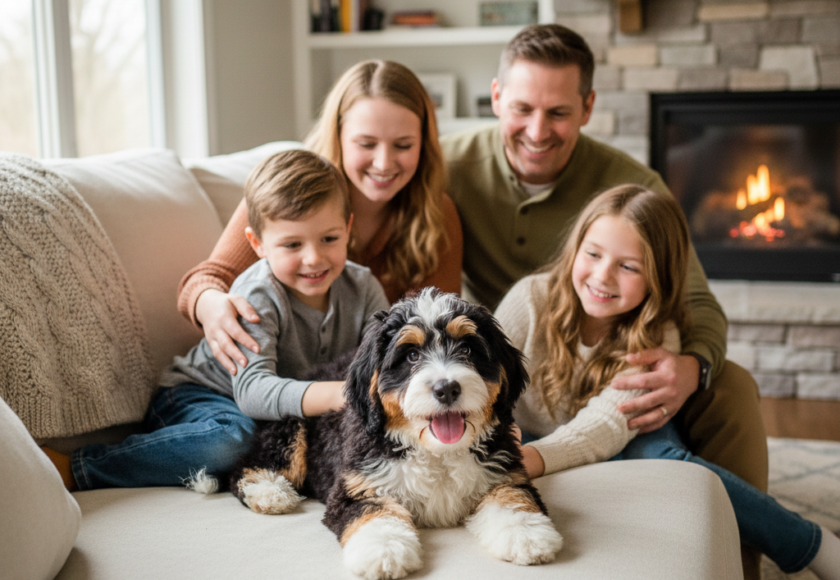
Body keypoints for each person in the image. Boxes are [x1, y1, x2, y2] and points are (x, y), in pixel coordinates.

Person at [438, 24, 768, 577]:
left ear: (588, 107)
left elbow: (699, 302)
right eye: (521, 108)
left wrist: (693, 366)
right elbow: (320, 187)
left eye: (559, 113)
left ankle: (741, 558)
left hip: (606, 374)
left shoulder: (633, 186)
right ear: (495, 97)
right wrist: (232, 287)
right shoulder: (443, 165)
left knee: (732, 384)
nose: (538, 130)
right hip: (516, 360)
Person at [497, 184, 840, 579]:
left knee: (672, 465)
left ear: (658, 276)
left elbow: (606, 427)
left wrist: (537, 460)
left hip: (617, 437)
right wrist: (504, 436)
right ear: (575, 250)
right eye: (592, 254)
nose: (602, 276)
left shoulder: (658, 335)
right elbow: (489, 378)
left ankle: (809, 543)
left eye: (628, 267)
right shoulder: (530, 299)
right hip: (531, 435)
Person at [44, 149, 389, 490]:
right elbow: (253, 393)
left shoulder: (363, 287)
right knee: (232, 440)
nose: (313, 258)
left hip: (273, 412)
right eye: (292, 244)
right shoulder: (258, 295)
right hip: (197, 396)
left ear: (348, 228)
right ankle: (81, 468)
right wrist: (339, 394)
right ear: (258, 243)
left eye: (329, 239)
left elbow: (381, 364)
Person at [177, 59, 462, 376]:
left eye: (403, 145)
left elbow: (440, 326)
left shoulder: (437, 213)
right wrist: (210, 304)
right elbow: (207, 279)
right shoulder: (286, 196)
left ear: (423, 142)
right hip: (271, 384)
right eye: (366, 143)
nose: (384, 162)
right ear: (338, 135)